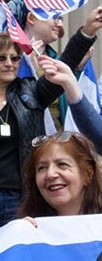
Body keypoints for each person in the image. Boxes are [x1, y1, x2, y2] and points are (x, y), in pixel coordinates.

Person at [0, 36, 71, 223]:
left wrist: (87, 32)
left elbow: (65, 67)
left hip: (16, 197)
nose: (9, 64)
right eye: (2, 58)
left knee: (14, 252)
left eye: (15, 58)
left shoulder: (31, 92)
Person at [17, 131, 102, 218]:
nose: (50, 174)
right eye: (42, 168)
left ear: (88, 174)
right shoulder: (27, 229)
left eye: (62, 164)